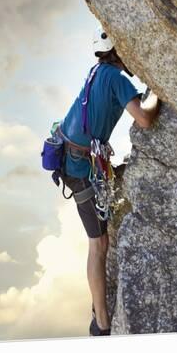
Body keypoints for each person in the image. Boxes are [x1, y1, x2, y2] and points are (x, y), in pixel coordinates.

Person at [59, 25, 160, 336]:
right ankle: (101, 323)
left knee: (99, 240)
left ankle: (99, 313)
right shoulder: (116, 78)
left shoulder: (96, 72)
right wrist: (158, 91)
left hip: (72, 157)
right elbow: (144, 119)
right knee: (99, 243)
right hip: (79, 168)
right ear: (118, 50)